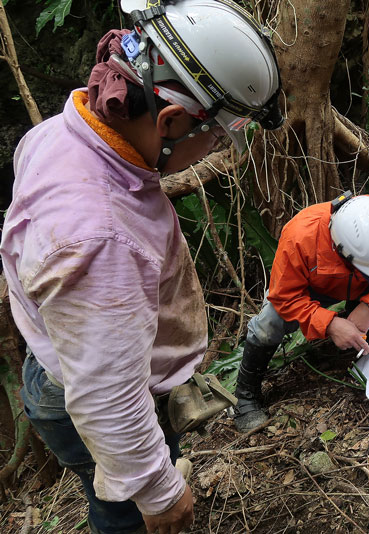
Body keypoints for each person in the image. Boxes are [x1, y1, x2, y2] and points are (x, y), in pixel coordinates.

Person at [0, 1, 282, 532]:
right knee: (125, 513)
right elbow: (108, 396)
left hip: (60, 362)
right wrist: (160, 492)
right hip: (102, 399)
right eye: (217, 136)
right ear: (171, 120)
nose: (215, 148)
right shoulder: (99, 236)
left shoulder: (60, 135)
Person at [234, 191, 369, 432]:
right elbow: (285, 297)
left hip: (366, 286)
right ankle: (246, 394)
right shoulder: (300, 237)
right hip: (317, 289)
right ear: (341, 252)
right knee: (269, 323)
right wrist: (329, 323)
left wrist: (368, 308)